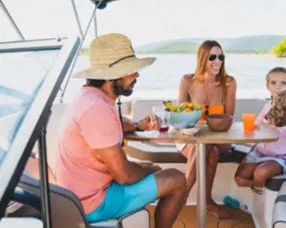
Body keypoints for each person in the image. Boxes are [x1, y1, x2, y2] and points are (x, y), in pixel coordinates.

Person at [56, 33, 187, 228]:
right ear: (113, 75)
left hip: (82, 193)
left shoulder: (90, 97)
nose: (137, 75)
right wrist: (147, 169)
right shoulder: (95, 109)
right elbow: (124, 176)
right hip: (93, 203)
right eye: (131, 70)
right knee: (177, 179)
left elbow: (112, 124)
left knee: (147, 166)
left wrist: (137, 125)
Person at [177, 40, 237, 219]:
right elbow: (181, 116)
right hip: (190, 136)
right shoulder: (188, 81)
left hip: (220, 136)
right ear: (202, 58)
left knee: (206, 144)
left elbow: (229, 118)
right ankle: (208, 201)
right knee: (209, 153)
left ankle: (182, 194)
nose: (217, 61)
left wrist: (211, 129)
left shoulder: (229, 83)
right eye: (212, 57)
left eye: (220, 57)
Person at [234, 67, 286, 190]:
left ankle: (257, 184)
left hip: (282, 157)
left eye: (284, 83)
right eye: (273, 83)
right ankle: (257, 182)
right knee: (239, 178)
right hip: (261, 152)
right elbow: (257, 131)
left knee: (261, 172)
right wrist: (249, 155)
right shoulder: (267, 107)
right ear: (268, 87)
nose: (278, 86)